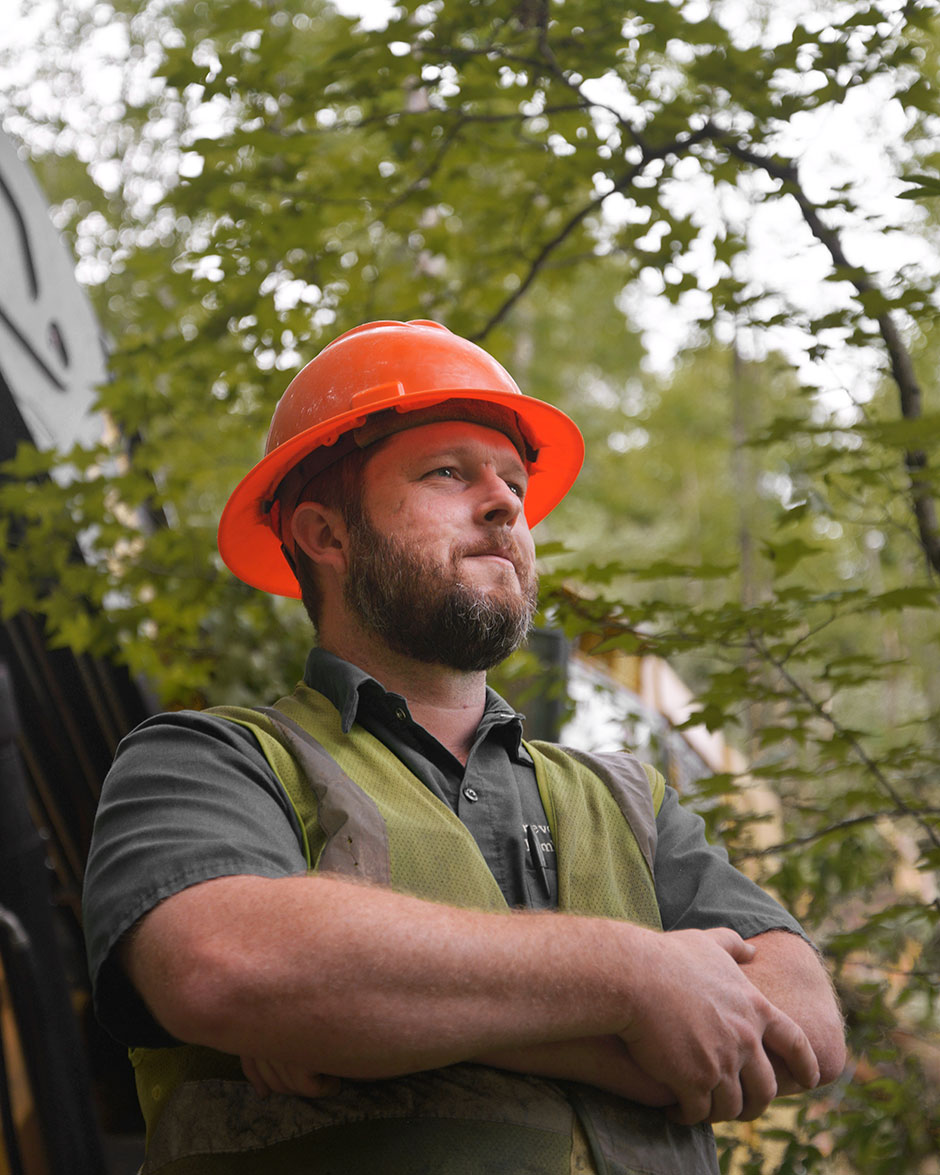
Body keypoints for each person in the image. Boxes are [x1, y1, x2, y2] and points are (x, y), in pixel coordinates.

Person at [83, 319, 845, 1175]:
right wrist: (635, 975)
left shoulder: (629, 800)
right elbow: (228, 963)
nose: (505, 502)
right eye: (448, 472)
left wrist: (372, 1021)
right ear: (325, 535)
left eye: (514, 479)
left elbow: (803, 1023)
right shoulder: (212, 759)